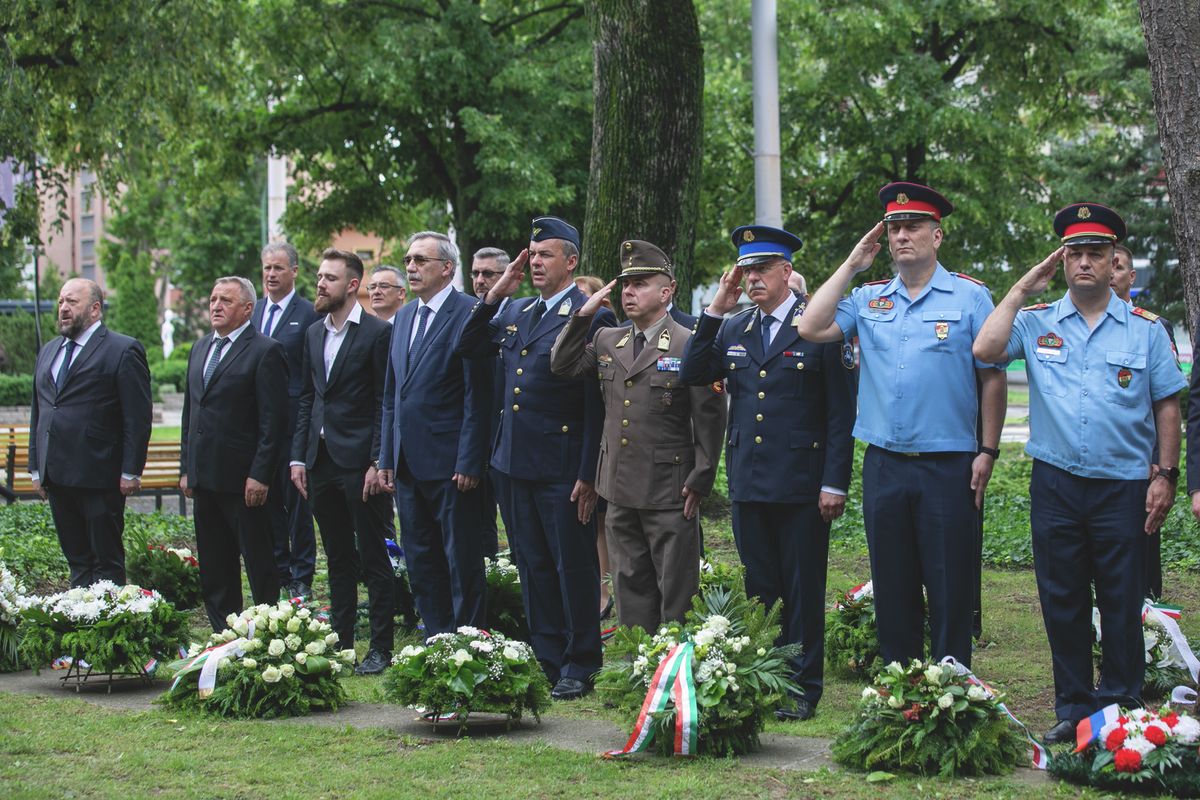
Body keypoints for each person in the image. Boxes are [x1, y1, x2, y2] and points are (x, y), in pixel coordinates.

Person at [973, 202, 1184, 744]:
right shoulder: (1036, 320)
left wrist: (1165, 474)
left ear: (1115, 260)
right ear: (1062, 261)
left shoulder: (1145, 331)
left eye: (1096, 253)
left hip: (1123, 484)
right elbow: (986, 348)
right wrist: (1023, 286)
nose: (1085, 263)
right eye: (1075, 254)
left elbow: (1167, 406)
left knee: (1120, 597)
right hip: (1057, 484)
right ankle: (1073, 705)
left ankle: (1120, 705)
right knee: (1061, 597)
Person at [795, 182, 1006, 672]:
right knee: (892, 583)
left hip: (950, 463)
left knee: (951, 584)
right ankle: (901, 692)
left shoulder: (971, 297)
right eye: (894, 229)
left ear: (938, 236)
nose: (902, 236)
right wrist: (851, 264)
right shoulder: (870, 298)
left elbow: (991, 379)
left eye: (913, 227)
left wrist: (988, 450)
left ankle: (953, 687)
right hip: (885, 464)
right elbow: (810, 327)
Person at [681, 225, 856, 721]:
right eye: (745, 270)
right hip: (751, 479)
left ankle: (803, 686)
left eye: (761, 269)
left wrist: (834, 481)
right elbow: (694, 370)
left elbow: (841, 414)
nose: (752, 279)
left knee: (802, 587)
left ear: (786, 272)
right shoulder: (736, 326)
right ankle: (769, 675)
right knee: (761, 585)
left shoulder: (818, 325)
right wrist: (716, 306)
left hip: (803, 481)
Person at [456, 216, 616, 700]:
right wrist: (495, 295)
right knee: (532, 564)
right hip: (513, 462)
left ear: (571, 262)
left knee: (573, 565)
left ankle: (581, 660)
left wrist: (588, 473)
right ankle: (546, 656)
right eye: (532, 255)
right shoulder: (517, 310)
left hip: (563, 463)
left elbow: (596, 404)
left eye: (546, 255)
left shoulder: (591, 314)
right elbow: (467, 346)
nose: (536, 263)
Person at [552, 240, 726, 633]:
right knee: (629, 584)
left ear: (667, 291)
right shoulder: (607, 340)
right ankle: (639, 669)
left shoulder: (689, 343)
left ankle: (675, 670)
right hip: (618, 485)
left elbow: (711, 416)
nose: (629, 292)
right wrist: (583, 314)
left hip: (671, 487)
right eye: (625, 285)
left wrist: (702, 475)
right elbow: (561, 364)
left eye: (640, 284)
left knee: (676, 589)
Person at [378, 232, 492, 639]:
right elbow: (394, 392)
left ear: (447, 267)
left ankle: (468, 643)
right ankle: (437, 639)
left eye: (421, 260)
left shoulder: (469, 312)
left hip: (450, 462)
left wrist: (469, 459)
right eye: (408, 259)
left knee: (460, 560)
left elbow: (478, 396)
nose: (411, 267)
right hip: (408, 462)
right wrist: (386, 456)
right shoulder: (405, 316)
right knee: (421, 558)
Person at [290, 249, 396, 675]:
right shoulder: (314, 334)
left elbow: (381, 402)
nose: (320, 284)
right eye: (318, 277)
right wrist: (298, 456)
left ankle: (381, 648)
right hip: (319, 462)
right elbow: (307, 398)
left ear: (353, 285)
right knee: (336, 556)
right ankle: (342, 643)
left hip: (359, 464)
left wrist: (377, 460)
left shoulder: (375, 334)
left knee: (374, 556)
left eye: (329, 278)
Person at [29, 278, 152, 587]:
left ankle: (109, 626)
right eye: (60, 302)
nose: (64, 309)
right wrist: (35, 466)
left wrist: (131, 470)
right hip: (57, 475)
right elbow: (40, 410)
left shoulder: (123, 349)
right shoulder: (49, 351)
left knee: (106, 562)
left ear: (95, 309)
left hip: (100, 475)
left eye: (72, 302)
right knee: (77, 561)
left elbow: (137, 418)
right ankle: (79, 624)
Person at [181, 277, 289, 632]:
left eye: (225, 300)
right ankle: (223, 636)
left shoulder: (265, 350)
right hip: (205, 478)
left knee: (259, 563)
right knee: (215, 566)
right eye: (213, 299)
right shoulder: (200, 348)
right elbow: (190, 415)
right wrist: (187, 468)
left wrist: (260, 474)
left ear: (247, 308)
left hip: (245, 482)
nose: (216, 306)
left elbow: (273, 423)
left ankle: (269, 632)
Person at [251, 242, 320, 599]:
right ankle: (279, 567)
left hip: (294, 421)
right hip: (261, 423)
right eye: (266, 268)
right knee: (268, 499)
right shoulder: (254, 312)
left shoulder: (309, 313)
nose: (271, 275)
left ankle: (302, 574)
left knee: (296, 499)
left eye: (278, 268)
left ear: (294, 271)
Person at [1111, 243, 1176, 600]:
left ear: (1131, 277)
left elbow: (1162, 403)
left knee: (1143, 542)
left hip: (1142, 464)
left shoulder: (1153, 327)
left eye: (1118, 267)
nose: (1110, 273)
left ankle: (1149, 616)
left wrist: (1160, 463)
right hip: (1101, 467)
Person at [572, 274, 616, 618]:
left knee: (599, 522)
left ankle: (604, 591)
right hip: (566, 439)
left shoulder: (603, 328)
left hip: (595, 436)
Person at [471, 247, 513, 559]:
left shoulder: (520, 313)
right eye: (475, 273)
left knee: (515, 522)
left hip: (513, 435)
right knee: (479, 519)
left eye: (489, 274)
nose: (481, 280)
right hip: (476, 434)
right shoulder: (470, 315)